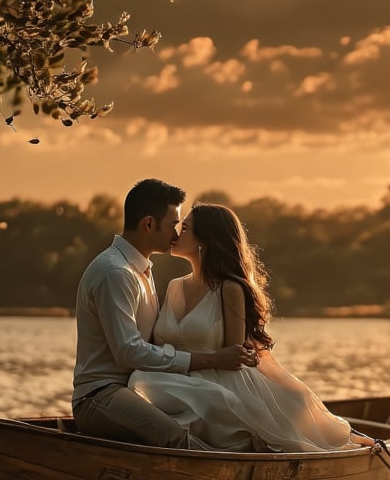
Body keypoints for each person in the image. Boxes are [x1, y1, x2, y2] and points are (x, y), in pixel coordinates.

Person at [129, 202, 362, 453]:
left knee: (155, 385)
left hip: (218, 383)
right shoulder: (175, 286)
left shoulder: (230, 289)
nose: (175, 233)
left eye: (184, 228)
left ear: (205, 240)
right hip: (176, 378)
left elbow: (235, 356)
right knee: (139, 380)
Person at [72, 179, 258, 447]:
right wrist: (210, 358)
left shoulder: (141, 270)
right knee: (174, 436)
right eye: (173, 225)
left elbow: (153, 344)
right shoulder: (116, 273)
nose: (176, 234)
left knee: (208, 421)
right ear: (149, 224)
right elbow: (129, 351)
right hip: (101, 396)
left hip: (137, 388)